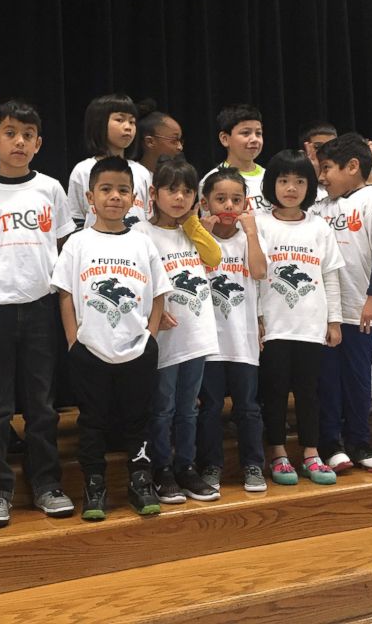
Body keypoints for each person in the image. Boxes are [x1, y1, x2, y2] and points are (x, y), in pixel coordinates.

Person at [0, 100, 76, 527]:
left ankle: (47, 483)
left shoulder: (49, 188)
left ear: (38, 143)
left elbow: (66, 250)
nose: (19, 142)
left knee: (42, 405)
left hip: (41, 307)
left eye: (28, 135)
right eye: (10, 133)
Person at [52, 156, 170, 521]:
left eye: (122, 190)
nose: (114, 197)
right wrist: (74, 340)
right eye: (106, 189)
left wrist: (150, 337)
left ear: (134, 197)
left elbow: (159, 292)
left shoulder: (142, 243)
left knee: (138, 420)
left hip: (137, 349)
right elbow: (65, 293)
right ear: (90, 197)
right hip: (90, 350)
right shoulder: (77, 242)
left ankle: (140, 480)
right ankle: (95, 485)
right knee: (92, 421)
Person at [134, 157, 221, 503]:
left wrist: (195, 226)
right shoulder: (141, 232)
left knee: (189, 407)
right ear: (154, 193)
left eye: (187, 191)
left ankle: (186, 467)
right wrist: (155, 312)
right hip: (166, 335)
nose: (180, 198)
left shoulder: (192, 230)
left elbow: (213, 258)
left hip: (197, 333)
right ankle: (162, 468)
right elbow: (138, 278)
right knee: (164, 406)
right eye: (172, 190)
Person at [256, 150, 344, 485]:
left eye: (299, 181)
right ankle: (278, 454)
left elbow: (330, 276)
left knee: (309, 392)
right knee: (275, 391)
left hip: (311, 325)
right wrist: (259, 319)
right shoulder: (259, 224)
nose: (291, 188)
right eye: (283, 181)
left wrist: (333, 321)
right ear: (271, 185)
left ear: (309, 186)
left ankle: (311, 453)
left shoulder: (319, 227)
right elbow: (252, 277)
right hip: (275, 327)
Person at [313, 133, 372, 473]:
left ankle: (360, 442)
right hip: (324, 312)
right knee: (327, 381)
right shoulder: (320, 205)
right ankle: (330, 444)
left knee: (360, 380)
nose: (321, 176)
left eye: (327, 168)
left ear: (352, 166)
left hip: (359, 311)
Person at [197, 168, 268, 493]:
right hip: (209, 341)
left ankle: (253, 464)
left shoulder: (249, 236)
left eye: (236, 199)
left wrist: (251, 233)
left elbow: (258, 271)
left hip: (243, 340)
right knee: (210, 407)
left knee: (248, 407)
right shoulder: (198, 237)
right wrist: (203, 234)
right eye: (221, 199)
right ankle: (210, 465)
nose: (228, 205)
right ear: (205, 202)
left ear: (246, 203)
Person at [66, 94, 153, 230]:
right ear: (99, 123)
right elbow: (76, 219)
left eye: (132, 122)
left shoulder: (141, 172)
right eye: (119, 119)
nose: (128, 127)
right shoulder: (83, 170)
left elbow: (149, 217)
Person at [199, 104, 269, 214]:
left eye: (258, 133)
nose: (255, 139)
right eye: (246, 133)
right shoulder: (211, 180)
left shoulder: (271, 177)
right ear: (224, 139)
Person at [135, 100, 183, 174]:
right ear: (150, 142)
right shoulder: (133, 175)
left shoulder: (177, 176)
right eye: (174, 140)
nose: (180, 147)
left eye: (180, 141)